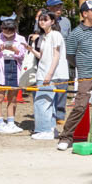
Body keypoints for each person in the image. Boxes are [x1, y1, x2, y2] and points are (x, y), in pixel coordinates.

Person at [57, 0, 92, 150]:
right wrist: (83, 66)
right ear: (85, 14)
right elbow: (70, 56)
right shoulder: (75, 34)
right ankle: (66, 137)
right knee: (80, 106)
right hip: (86, 76)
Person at [29, 11, 67, 140]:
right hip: (43, 72)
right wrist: (31, 50)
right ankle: (51, 129)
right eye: (40, 19)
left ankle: (44, 130)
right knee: (47, 103)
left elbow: (56, 56)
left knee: (41, 102)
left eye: (45, 19)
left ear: (52, 21)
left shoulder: (55, 34)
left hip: (50, 74)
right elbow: (43, 56)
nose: (42, 22)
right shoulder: (44, 36)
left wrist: (49, 74)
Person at [0, 14, 27, 134]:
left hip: (15, 68)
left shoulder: (21, 39)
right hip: (0, 70)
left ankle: (11, 123)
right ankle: (0, 123)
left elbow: (24, 56)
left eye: (11, 29)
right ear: (1, 28)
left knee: (13, 98)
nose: (8, 32)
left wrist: (16, 51)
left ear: (15, 28)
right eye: (5, 29)